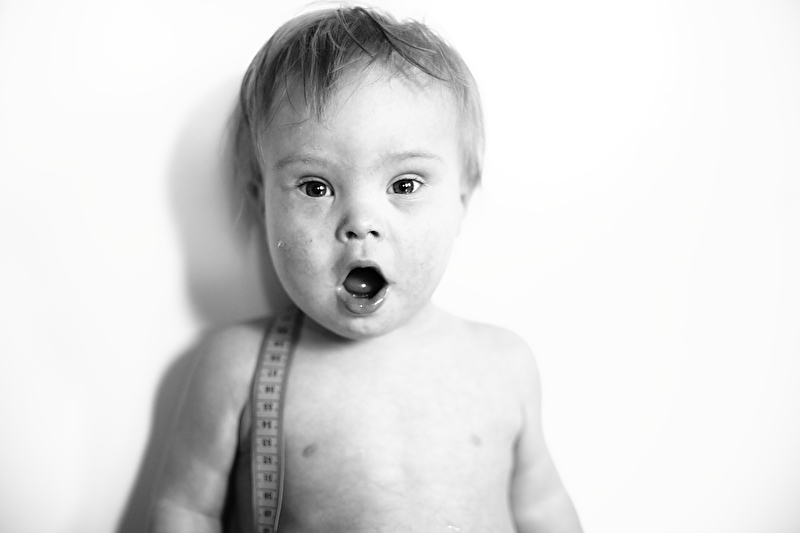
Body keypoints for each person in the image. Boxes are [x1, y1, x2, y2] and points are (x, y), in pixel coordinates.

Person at [150, 5, 582, 532]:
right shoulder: (239, 368)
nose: (360, 223)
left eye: (405, 185)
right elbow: (185, 511)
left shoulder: (504, 364)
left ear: (462, 201)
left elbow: (543, 508)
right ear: (262, 201)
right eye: (315, 187)